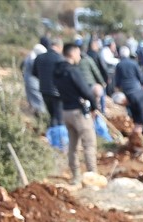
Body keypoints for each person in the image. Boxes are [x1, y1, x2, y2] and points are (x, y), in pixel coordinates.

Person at [54, 43, 98, 184]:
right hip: (78, 112)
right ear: (72, 53)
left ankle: (76, 176)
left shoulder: (57, 71)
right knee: (89, 144)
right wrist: (94, 107)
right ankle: (93, 176)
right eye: (78, 53)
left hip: (65, 111)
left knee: (73, 146)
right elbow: (86, 91)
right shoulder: (73, 71)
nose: (79, 56)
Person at [34, 38, 66, 147]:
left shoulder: (39, 58)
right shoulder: (60, 58)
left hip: (44, 91)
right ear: (59, 47)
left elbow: (34, 72)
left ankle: (53, 142)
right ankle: (61, 144)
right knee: (59, 117)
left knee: (52, 116)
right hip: (57, 92)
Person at [114, 46, 143, 136]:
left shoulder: (119, 65)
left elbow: (117, 80)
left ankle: (136, 126)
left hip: (126, 92)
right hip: (136, 90)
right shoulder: (134, 63)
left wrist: (117, 89)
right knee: (140, 109)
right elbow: (140, 75)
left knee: (131, 109)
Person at [21, 43, 46, 115]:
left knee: (32, 97)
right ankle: (41, 115)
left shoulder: (29, 56)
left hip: (28, 79)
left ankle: (35, 112)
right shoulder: (33, 59)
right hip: (32, 80)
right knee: (38, 98)